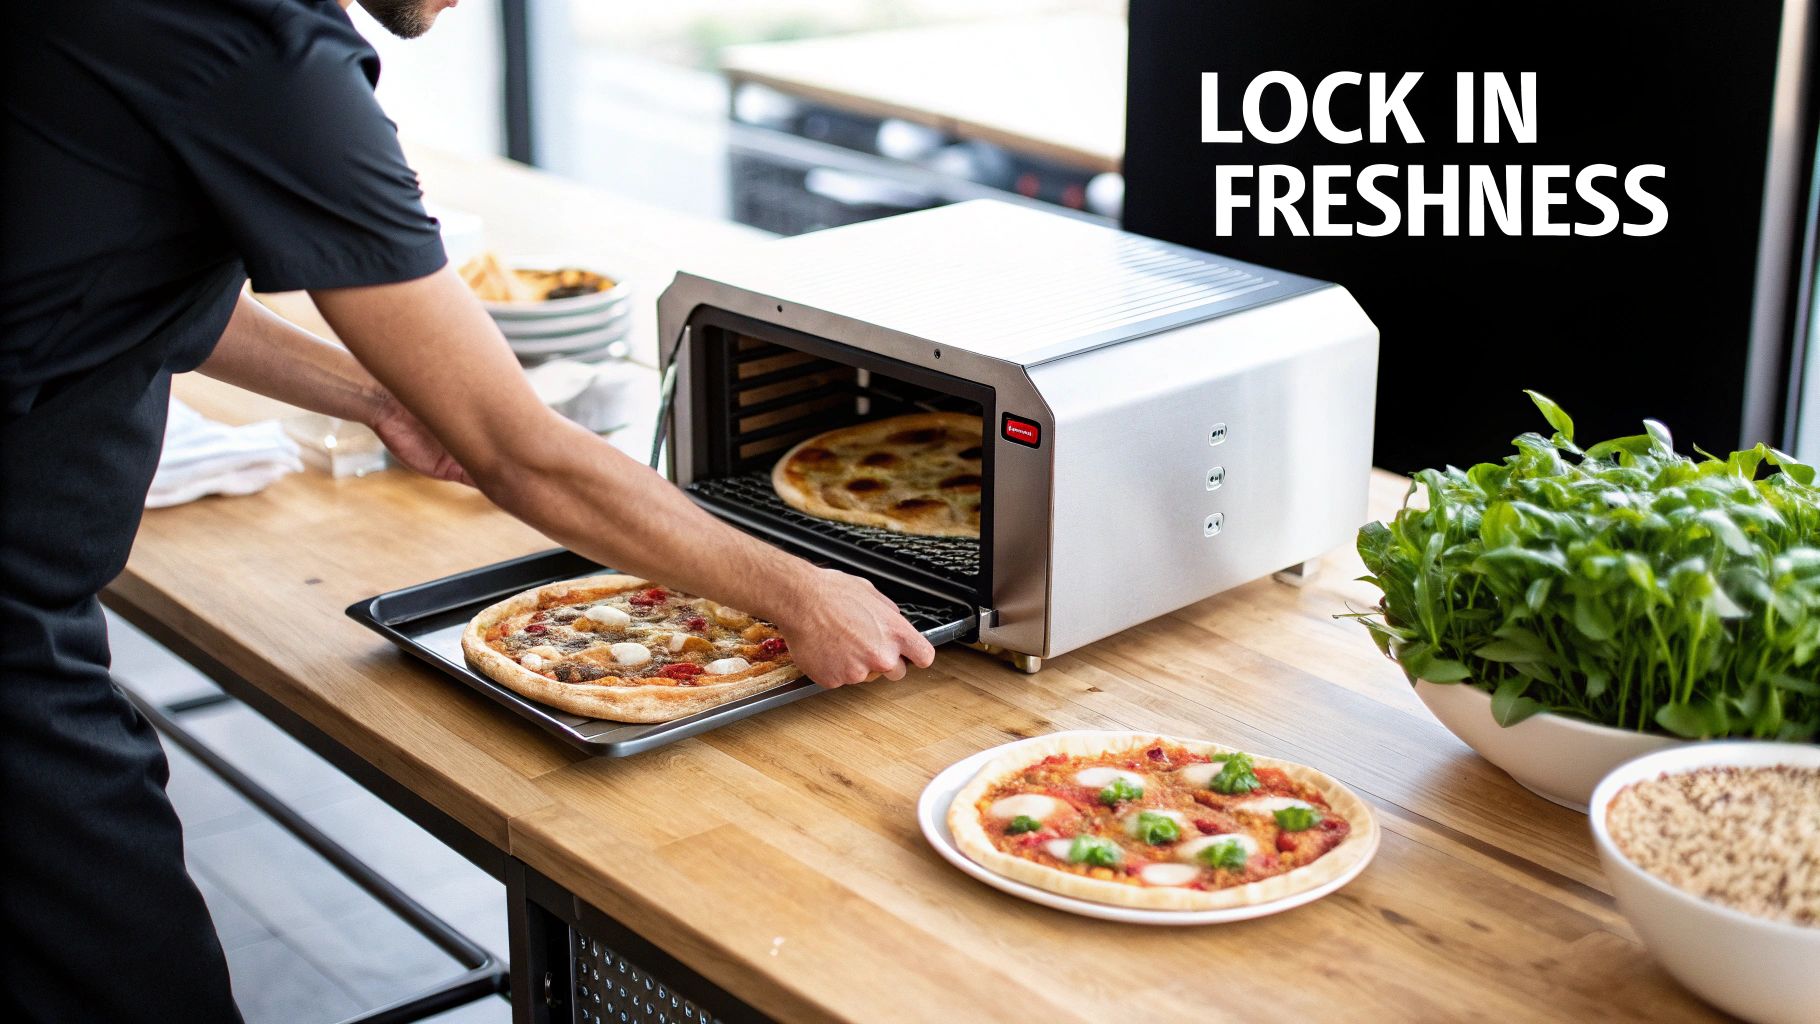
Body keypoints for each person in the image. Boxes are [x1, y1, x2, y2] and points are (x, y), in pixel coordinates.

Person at [0, 1, 935, 1019]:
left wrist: (378, 398)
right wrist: (797, 590)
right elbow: (523, 454)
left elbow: (134, 270)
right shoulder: (265, 54)